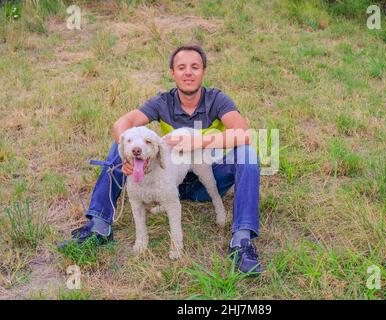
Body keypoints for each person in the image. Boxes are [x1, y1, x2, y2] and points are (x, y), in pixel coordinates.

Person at [61, 44, 263, 274]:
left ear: (203, 72)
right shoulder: (162, 102)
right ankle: (99, 224)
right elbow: (121, 124)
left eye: (195, 67)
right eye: (181, 67)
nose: (188, 72)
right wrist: (127, 157)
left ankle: (241, 240)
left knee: (247, 152)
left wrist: (199, 142)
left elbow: (244, 134)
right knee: (121, 145)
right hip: (166, 181)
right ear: (172, 73)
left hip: (206, 181)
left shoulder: (217, 99)